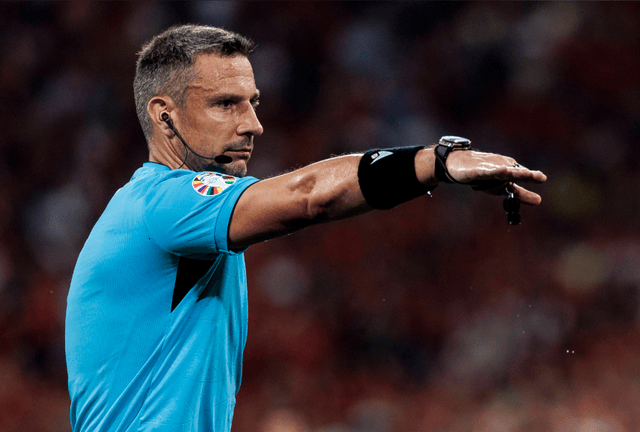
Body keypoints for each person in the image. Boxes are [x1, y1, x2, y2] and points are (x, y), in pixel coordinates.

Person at [65, 24, 546, 431]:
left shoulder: (171, 216)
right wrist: (435, 161)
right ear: (164, 116)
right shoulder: (162, 204)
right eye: (226, 104)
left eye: (253, 102)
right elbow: (310, 196)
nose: (253, 124)